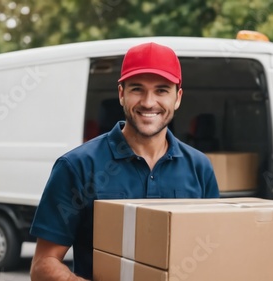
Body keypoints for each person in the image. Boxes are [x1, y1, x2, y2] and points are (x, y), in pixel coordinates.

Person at [29, 42, 220, 281]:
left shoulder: (199, 168)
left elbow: (213, 253)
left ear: (177, 97)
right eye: (137, 89)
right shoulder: (77, 166)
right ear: (121, 93)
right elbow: (42, 265)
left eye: (161, 90)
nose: (149, 102)